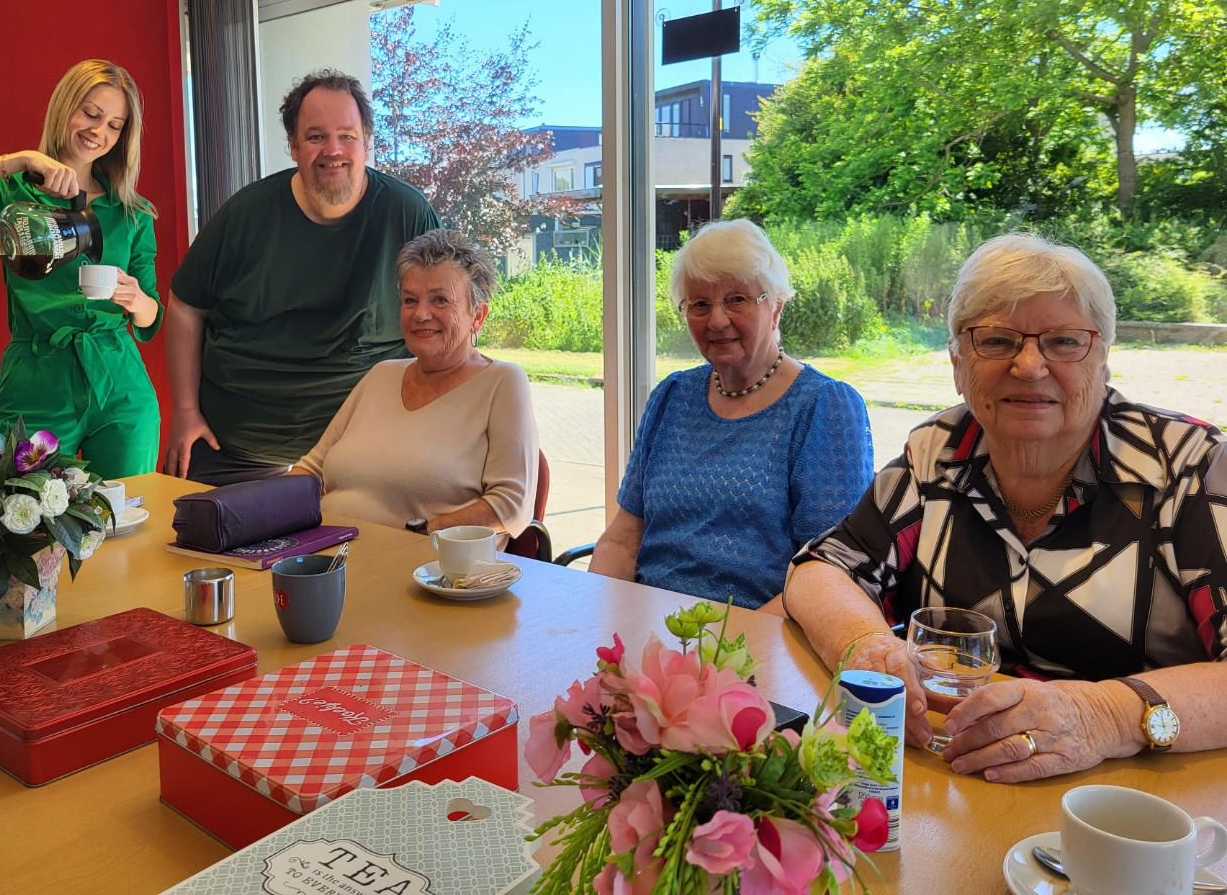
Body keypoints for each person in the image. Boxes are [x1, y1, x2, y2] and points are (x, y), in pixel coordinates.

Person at [784, 233, 1227, 783]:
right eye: (996, 341)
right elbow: (822, 568)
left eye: (1064, 341)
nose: (1029, 365)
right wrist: (868, 645)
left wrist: (1106, 715)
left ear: (1104, 359)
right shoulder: (940, 451)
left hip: (1139, 802)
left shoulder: (1189, 467)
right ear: (957, 361)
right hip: (960, 781)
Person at [164, 70, 440, 485]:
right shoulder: (244, 215)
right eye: (315, 137)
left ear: (367, 143)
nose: (333, 150)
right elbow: (185, 305)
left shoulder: (407, 213)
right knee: (194, 544)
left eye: (347, 135)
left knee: (384, 549)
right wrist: (185, 412)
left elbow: (446, 312)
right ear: (293, 146)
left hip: (366, 447)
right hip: (235, 447)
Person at [590, 219, 873, 609]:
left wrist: (725, 653)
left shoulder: (823, 407)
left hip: (759, 640)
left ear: (775, 306)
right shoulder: (672, 396)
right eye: (700, 304)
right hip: (651, 626)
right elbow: (623, 538)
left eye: (737, 299)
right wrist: (595, 622)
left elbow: (829, 573)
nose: (717, 320)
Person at [0, 60, 162, 477]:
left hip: (121, 380)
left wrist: (136, 299)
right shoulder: (12, 194)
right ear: (65, 108)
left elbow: (152, 316)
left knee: (127, 515)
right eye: (91, 114)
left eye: (114, 125)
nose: (99, 131)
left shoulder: (132, 211)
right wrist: (18, 160)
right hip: (39, 376)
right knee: (26, 518)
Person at [292, 229, 537, 543]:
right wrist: (262, 515)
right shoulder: (381, 374)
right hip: (323, 552)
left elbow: (510, 507)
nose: (421, 314)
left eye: (440, 300)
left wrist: (414, 536)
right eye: (410, 300)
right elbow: (311, 469)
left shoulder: (502, 382)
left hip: (422, 569)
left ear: (477, 316)